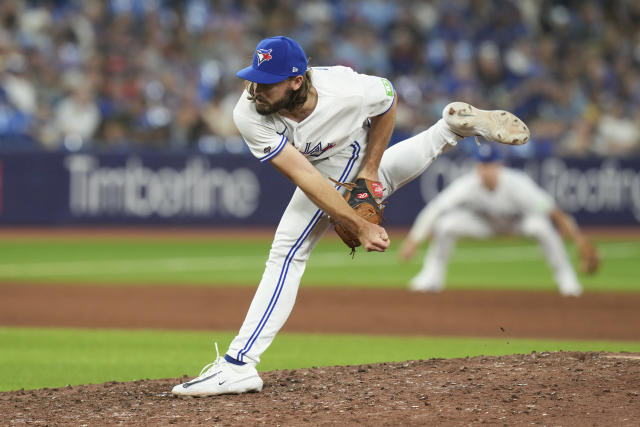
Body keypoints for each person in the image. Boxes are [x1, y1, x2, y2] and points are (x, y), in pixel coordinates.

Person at [171, 36, 530, 397]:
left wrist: (369, 171)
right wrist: (357, 219)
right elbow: (305, 176)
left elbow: (387, 100)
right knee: (306, 233)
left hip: (350, 143)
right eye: (255, 78)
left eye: (268, 82)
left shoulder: (347, 90)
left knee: (287, 252)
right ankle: (448, 130)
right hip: (317, 164)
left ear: (297, 81)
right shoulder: (248, 111)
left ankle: (238, 364)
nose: (256, 89)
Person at [398, 144, 599, 297]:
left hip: (517, 224)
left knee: (541, 227)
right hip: (484, 225)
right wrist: (414, 240)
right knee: (446, 224)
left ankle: (567, 279)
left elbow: (551, 209)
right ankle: (432, 276)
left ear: (499, 165)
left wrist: (578, 238)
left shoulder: (516, 183)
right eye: (482, 165)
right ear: (477, 167)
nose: (486, 170)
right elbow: (436, 207)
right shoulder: (469, 184)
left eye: (490, 165)